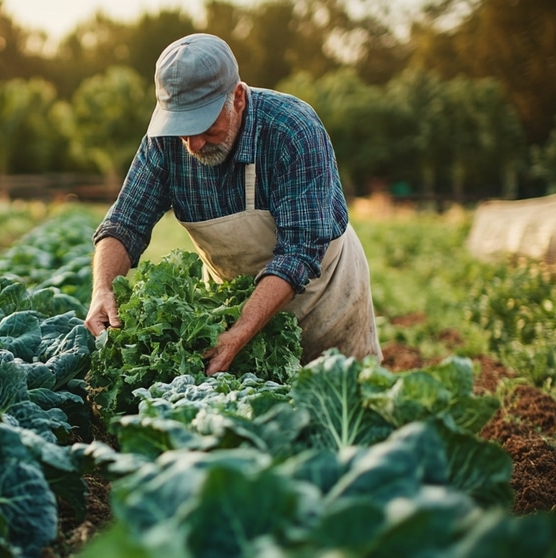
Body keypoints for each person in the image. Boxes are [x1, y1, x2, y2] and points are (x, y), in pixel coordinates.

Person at [84, 32, 382, 373]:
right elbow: (125, 223)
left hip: (324, 298)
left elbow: (299, 251)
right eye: (183, 130)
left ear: (237, 98)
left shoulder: (292, 130)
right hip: (233, 304)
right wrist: (102, 289)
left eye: (207, 128)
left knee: (341, 401)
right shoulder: (163, 142)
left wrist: (241, 332)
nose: (194, 144)